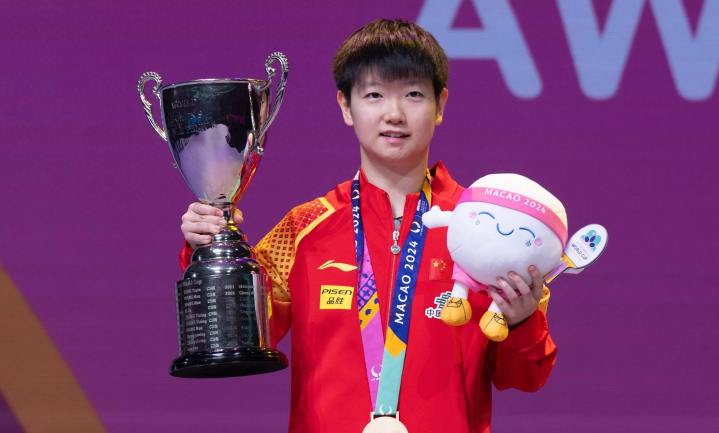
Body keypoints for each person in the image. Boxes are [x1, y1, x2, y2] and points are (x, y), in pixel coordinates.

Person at [179, 18, 556, 433]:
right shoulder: (302, 229)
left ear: (440, 104)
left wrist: (522, 322)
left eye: (413, 94)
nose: (394, 114)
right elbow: (239, 334)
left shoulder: (490, 227)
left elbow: (524, 377)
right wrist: (207, 248)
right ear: (346, 106)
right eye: (374, 95)